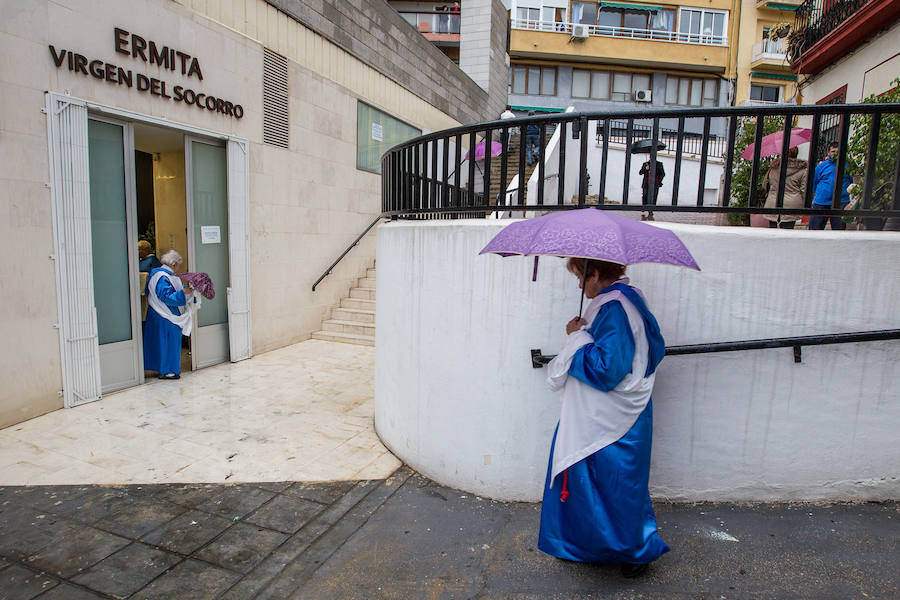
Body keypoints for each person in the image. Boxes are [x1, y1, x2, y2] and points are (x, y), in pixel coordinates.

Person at [539, 258, 669, 579]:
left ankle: (638, 552)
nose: (580, 286)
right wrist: (584, 333)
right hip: (614, 414)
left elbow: (606, 370)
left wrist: (578, 336)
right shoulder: (629, 299)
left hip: (611, 419)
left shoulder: (614, 309)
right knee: (606, 485)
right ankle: (597, 546)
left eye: (581, 279)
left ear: (595, 274)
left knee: (615, 485)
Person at [143, 250, 196, 380]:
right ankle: (169, 370)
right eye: (178, 264)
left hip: (159, 314)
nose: (179, 267)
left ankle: (163, 368)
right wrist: (184, 292)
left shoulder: (160, 275)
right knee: (168, 342)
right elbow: (167, 297)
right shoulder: (162, 277)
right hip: (165, 315)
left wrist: (185, 292)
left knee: (161, 343)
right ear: (173, 263)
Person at [810, 142, 852, 230]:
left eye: (838, 151)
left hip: (840, 203)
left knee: (839, 232)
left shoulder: (848, 166)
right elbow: (814, 183)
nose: (835, 154)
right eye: (833, 151)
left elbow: (851, 184)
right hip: (821, 203)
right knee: (814, 232)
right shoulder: (821, 167)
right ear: (829, 153)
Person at [763, 147, 808, 229]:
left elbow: (765, 184)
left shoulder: (774, 167)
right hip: (792, 205)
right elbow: (804, 190)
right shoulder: (802, 170)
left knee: (772, 232)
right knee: (788, 232)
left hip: (773, 202)